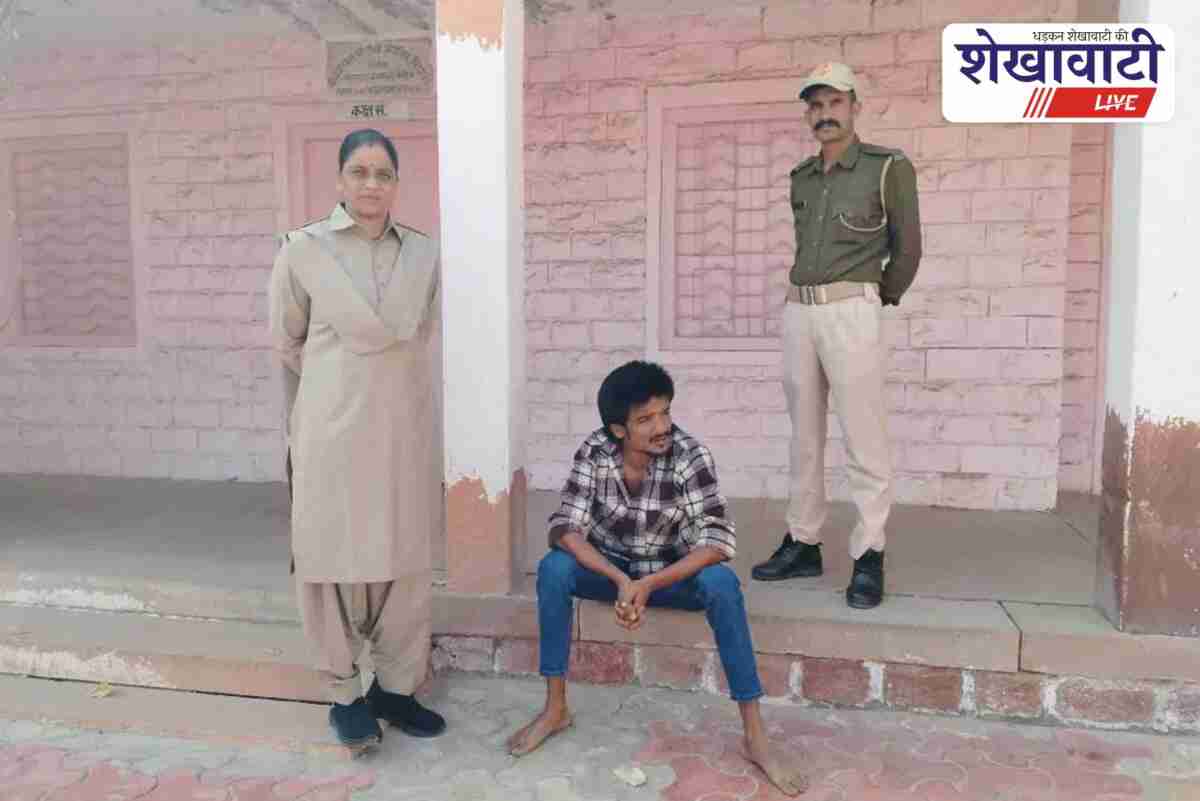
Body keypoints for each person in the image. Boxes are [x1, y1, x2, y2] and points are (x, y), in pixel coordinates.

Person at [507, 361, 808, 797]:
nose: (662, 426)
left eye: (665, 412)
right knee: (554, 569)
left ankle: (755, 736)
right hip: (613, 571)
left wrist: (648, 584)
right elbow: (565, 528)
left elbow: (716, 542)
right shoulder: (595, 452)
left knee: (722, 584)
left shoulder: (690, 455)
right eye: (645, 419)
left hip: (670, 576)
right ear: (618, 430)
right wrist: (620, 579)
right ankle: (555, 709)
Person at [268, 128, 445, 747]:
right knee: (330, 558)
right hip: (330, 434)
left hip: (401, 431)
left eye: (383, 174)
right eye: (360, 172)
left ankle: (395, 689)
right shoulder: (302, 251)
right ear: (340, 180)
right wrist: (340, 386)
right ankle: (344, 694)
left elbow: (421, 334)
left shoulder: (423, 254)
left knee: (405, 556)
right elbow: (287, 340)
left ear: (396, 183)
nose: (372, 184)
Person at [752, 63, 922, 610]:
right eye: (816, 105)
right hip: (799, 311)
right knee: (803, 435)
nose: (825, 114)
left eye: (835, 103)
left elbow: (908, 248)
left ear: (855, 107)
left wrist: (876, 297)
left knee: (863, 436)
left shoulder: (887, 167)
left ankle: (869, 553)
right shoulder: (802, 177)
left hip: (852, 309)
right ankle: (803, 541)